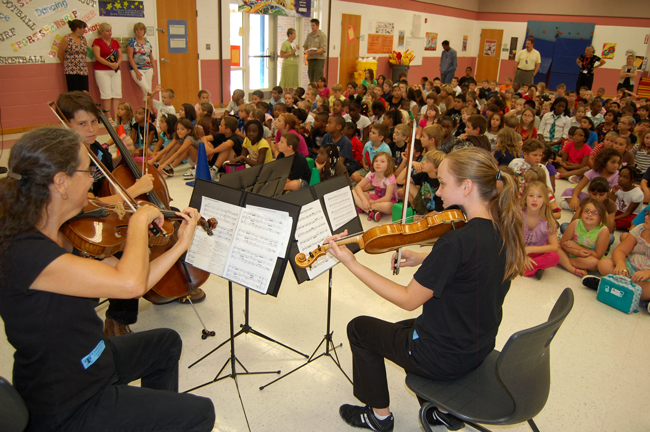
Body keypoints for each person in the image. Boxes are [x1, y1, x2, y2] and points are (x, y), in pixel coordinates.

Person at [0, 127, 215, 432]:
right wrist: (139, 220)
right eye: (88, 172)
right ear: (60, 183)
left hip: (91, 358)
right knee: (201, 412)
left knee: (166, 343)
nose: (93, 180)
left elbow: (131, 280)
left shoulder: (63, 231)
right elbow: (130, 284)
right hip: (67, 400)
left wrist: (180, 245)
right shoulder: (26, 254)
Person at [327, 147, 525, 432]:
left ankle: (378, 417)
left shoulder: (455, 242)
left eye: (443, 183)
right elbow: (471, 272)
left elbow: (408, 300)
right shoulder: (502, 231)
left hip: (441, 357)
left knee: (360, 329)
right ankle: (443, 410)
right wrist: (422, 259)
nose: (439, 191)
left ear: (467, 187)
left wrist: (352, 263)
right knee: (400, 331)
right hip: (477, 347)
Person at [583, 209, 650, 301]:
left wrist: (648, 273)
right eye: (647, 214)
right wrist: (620, 264)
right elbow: (620, 250)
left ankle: (607, 286)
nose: (646, 217)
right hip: (629, 269)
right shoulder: (640, 229)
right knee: (604, 264)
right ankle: (628, 292)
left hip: (646, 278)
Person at [557, 198, 609, 277]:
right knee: (555, 246)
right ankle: (571, 267)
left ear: (601, 216)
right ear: (581, 213)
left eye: (595, 213)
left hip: (588, 258)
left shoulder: (603, 231)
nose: (590, 214)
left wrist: (577, 247)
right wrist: (576, 252)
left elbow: (597, 255)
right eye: (587, 211)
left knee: (594, 263)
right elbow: (563, 243)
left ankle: (563, 261)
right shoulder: (576, 223)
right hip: (571, 252)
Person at [521, 181, 560, 279]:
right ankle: (530, 268)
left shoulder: (548, 221)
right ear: (525, 198)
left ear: (545, 200)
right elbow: (510, 238)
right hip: (516, 250)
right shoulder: (518, 215)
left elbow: (554, 246)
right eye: (531, 195)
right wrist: (522, 254)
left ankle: (523, 267)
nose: (534, 199)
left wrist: (529, 250)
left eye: (539, 196)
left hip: (536, 252)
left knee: (554, 257)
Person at [352, 151, 397, 222]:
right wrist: (364, 200)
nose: (378, 163)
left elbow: (387, 198)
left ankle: (363, 207)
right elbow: (358, 187)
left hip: (388, 201)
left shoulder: (390, 177)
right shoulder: (372, 173)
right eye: (376, 161)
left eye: (382, 161)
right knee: (352, 192)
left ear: (389, 165)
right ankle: (370, 212)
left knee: (387, 206)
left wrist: (372, 202)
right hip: (376, 197)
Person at [92, 22, 122, 122]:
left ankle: (117, 116)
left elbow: (120, 55)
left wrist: (116, 64)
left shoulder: (115, 42)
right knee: (106, 93)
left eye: (110, 30)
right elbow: (97, 57)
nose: (110, 33)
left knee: (117, 93)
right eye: (107, 31)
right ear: (102, 32)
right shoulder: (97, 42)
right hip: (102, 71)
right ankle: (108, 116)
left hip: (115, 70)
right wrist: (109, 64)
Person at [57, 19, 89, 92]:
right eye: (83, 28)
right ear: (78, 29)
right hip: (71, 70)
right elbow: (60, 54)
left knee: (84, 92)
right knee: (73, 92)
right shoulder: (67, 39)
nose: (84, 30)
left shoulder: (83, 39)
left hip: (83, 69)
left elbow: (85, 52)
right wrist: (66, 64)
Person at [127, 22, 156, 102]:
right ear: (135, 31)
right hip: (137, 68)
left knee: (148, 90)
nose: (139, 31)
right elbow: (130, 57)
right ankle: (151, 107)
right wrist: (136, 71)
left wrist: (154, 70)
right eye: (137, 29)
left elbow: (151, 57)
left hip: (148, 68)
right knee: (147, 89)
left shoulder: (147, 43)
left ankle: (147, 110)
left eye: (141, 29)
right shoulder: (132, 42)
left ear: (144, 31)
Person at [303, 19, 327, 83]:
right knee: (311, 77)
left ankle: (317, 91)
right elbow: (305, 46)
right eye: (311, 25)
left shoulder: (322, 35)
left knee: (318, 78)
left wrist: (313, 52)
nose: (312, 27)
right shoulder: (309, 35)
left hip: (319, 59)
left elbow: (323, 49)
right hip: (310, 59)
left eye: (313, 25)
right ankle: (312, 91)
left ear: (317, 26)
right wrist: (307, 51)